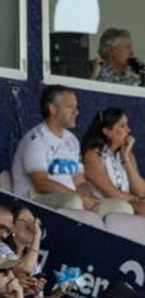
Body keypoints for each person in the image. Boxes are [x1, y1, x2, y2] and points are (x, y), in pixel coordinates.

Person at [11, 84, 128, 214]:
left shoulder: (72, 140)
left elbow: (80, 181)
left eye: (76, 107)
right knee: (73, 202)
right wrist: (80, 198)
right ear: (53, 109)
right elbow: (41, 183)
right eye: (70, 107)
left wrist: (88, 199)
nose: (76, 113)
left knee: (123, 207)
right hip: (35, 199)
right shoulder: (35, 139)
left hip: (72, 198)